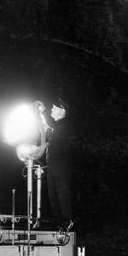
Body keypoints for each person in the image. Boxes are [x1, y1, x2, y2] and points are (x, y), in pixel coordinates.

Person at [46, 98, 73, 229]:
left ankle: (67, 221)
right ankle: (58, 222)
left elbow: (57, 138)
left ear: (62, 111)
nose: (51, 109)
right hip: (52, 164)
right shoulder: (55, 127)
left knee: (62, 193)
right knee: (52, 195)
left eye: (54, 107)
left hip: (60, 164)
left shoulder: (64, 126)